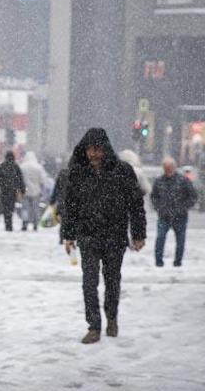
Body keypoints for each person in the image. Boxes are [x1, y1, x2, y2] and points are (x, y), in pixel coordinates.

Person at [62, 128, 146, 344]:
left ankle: (112, 318)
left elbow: (136, 204)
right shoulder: (78, 172)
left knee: (112, 281)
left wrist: (138, 234)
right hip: (88, 236)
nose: (94, 155)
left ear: (106, 150)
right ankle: (94, 326)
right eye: (90, 150)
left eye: (98, 150)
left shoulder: (123, 171)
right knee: (89, 282)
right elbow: (70, 205)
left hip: (114, 236)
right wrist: (68, 234)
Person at [151, 156, 197, 267]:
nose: (168, 171)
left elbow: (193, 196)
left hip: (180, 216)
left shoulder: (183, 181)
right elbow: (154, 197)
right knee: (160, 238)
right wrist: (159, 207)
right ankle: (158, 261)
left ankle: (178, 262)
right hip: (164, 215)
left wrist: (183, 208)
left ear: (174, 167)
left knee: (180, 241)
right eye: (166, 168)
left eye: (170, 168)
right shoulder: (159, 181)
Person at [0, 151, 25, 232]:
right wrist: (22, 189)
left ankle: (7, 224)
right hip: (12, 191)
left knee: (5, 207)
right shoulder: (16, 166)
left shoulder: (2, 166)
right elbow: (20, 179)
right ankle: (9, 223)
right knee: (11, 207)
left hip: (4, 191)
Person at [19, 151, 48, 231]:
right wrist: (43, 191)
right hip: (36, 191)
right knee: (36, 209)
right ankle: (35, 224)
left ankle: (25, 223)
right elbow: (43, 180)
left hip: (25, 191)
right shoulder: (39, 167)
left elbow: (19, 179)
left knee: (25, 208)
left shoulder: (22, 167)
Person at [50, 165, 70, 245]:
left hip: (63, 200)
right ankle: (70, 238)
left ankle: (62, 238)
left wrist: (52, 200)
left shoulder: (62, 173)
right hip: (73, 201)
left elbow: (56, 188)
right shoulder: (78, 173)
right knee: (72, 220)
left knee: (63, 221)